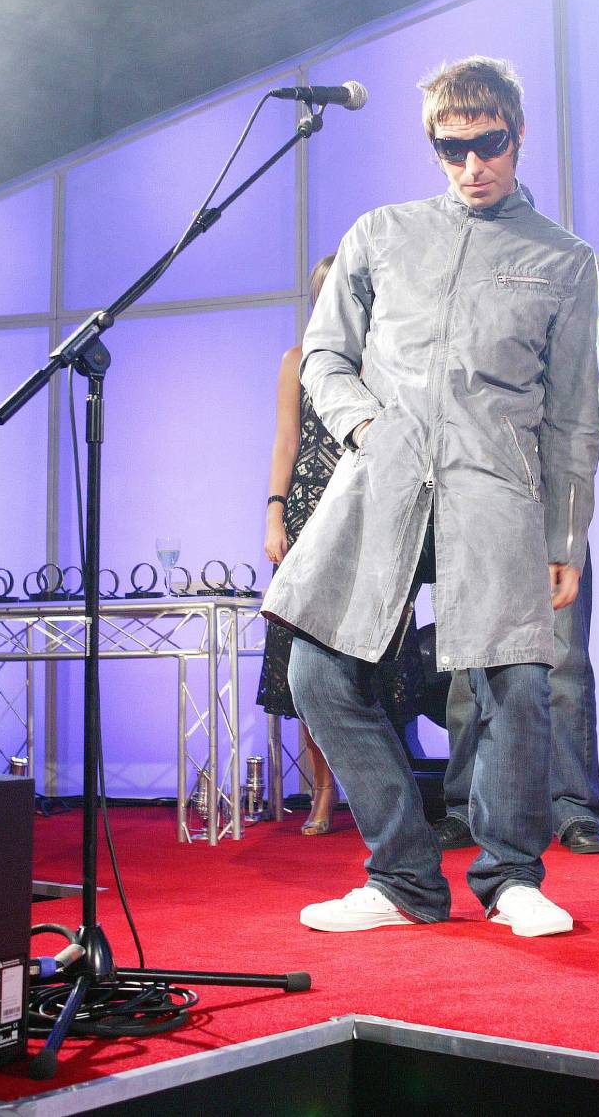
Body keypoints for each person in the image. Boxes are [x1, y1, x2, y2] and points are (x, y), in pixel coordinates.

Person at [262, 55, 599, 938]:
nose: (470, 166)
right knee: (314, 670)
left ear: (518, 136)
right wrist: (367, 428)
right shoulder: (381, 234)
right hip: (380, 481)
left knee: (516, 681)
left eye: (487, 146)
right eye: (452, 150)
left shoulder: (564, 259)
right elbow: (325, 357)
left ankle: (512, 876)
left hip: (496, 484)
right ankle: (405, 877)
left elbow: (572, 414)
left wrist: (568, 533)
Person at [435, 356, 599, 858]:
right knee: (466, 666)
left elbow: (598, 412)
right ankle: (463, 807)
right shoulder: (451, 304)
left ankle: (573, 806)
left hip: (546, 506)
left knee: (564, 661)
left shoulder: (564, 295)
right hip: (468, 506)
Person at [258, 254, 343, 835]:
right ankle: (322, 790)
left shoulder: (384, 360)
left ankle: (378, 787)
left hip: (368, 508)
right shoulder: (298, 361)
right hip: (310, 512)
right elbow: (286, 443)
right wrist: (274, 513)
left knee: (373, 660)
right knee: (307, 654)